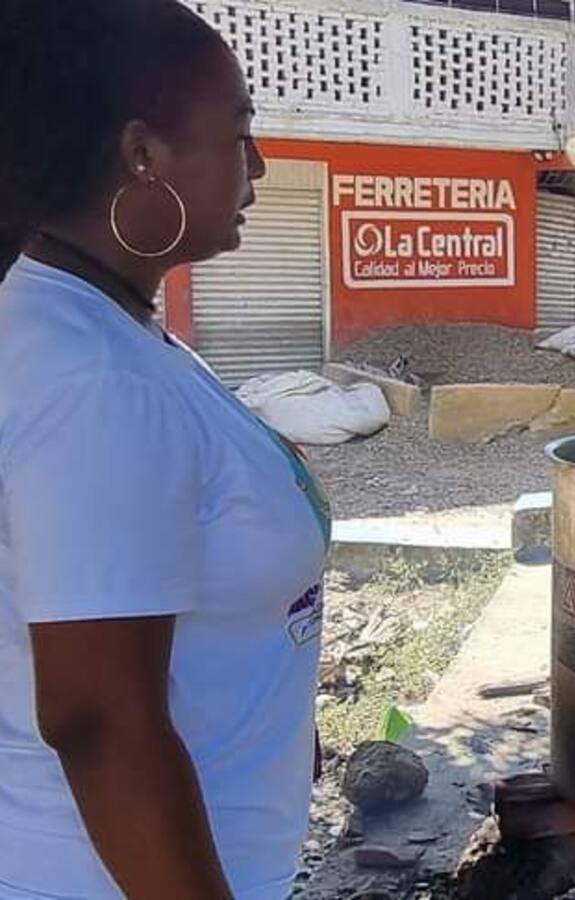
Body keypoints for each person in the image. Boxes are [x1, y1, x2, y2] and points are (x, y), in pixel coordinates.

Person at [0, 2, 330, 898]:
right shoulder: (95, 381)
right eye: (239, 133)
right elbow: (98, 717)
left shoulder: (113, 326)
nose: (258, 166)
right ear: (143, 154)